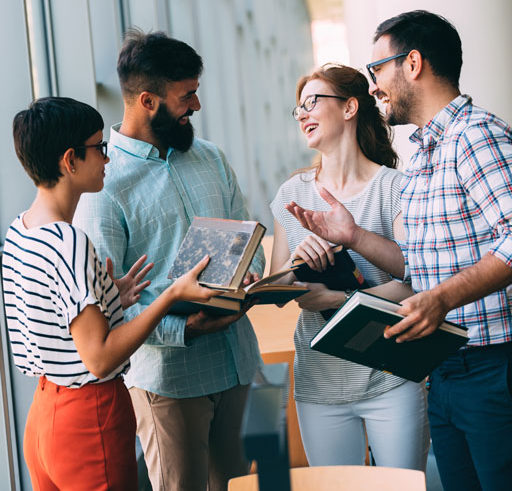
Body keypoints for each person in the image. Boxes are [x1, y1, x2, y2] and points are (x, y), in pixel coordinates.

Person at [286, 11, 512, 491]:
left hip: (497, 368)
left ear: (414, 63)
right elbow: (418, 263)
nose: (374, 84)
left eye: (377, 69)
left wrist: (441, 299)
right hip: (445, 368)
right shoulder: (425, 151)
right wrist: (354, 236)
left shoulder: (477, 136)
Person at [74, 30, 264, 491]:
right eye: (187, 96)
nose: (196, 106)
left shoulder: (212, 158)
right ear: (147, 100)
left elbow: (246, 239)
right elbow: (106, 310)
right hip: (169, 384)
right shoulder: (105, 187)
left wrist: (251, 276)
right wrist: (187, 327)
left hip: (237, 364)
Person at [1, 97, 219, 490]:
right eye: (99, 149)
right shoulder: (69, 243)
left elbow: (52, 318)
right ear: (70, 160)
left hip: (43, 416)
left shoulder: (20, 232)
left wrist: (107, 297)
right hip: (88, 417)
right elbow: (99, 359)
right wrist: (169, 297)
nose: (108, 159)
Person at [269, 63, 429, 470]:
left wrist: (339, 296)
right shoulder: (291, 193)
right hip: (319, 381)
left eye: (312, 102)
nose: (302, 113)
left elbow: (417, 282)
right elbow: (278, 292)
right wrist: (298, 263)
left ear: (349, 108)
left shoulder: (395, 187)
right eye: (298, 108)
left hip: (391, 372)